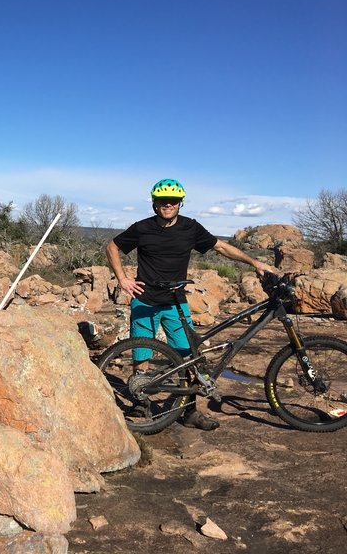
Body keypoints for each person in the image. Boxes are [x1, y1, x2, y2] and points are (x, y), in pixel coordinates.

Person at [105, 178, 276, 430]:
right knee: (142, 354)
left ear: (180, 204)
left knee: (188, 356)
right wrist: (122, 279)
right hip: (144, 299)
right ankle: (142, 402)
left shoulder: (191, 228)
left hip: (176, 301)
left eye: (173, 201)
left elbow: (222, 248)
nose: (168, 205)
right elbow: (112, 246)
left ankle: (188, 411)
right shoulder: (142, 228)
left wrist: (255, 263)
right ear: (155, 203)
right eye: (163, 201)